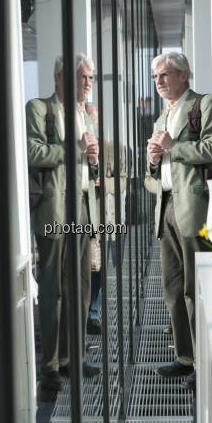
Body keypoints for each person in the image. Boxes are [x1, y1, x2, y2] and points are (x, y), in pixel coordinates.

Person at [26, 54, 102, 393]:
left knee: (81, 286)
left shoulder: (85, 115)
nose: (87, 83)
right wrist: (75, 147)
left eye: (90, 78)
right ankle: (50, 367)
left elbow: (88, 164)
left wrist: (93, 160)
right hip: (54, 208)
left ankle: (74, 358)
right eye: (82, 77)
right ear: (60, 78)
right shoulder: (39, 109)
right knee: (53, 289)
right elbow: (33, 152)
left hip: (82, 207)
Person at [146, 52, 212, 391]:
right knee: (172, 289)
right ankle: (185, 357)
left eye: (165, 74)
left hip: (194, 206)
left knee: (193, 289)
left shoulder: (203, 105)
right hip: (166, 205)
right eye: (155, 77)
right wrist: (153, 160)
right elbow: (153, 177)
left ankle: (203, 363)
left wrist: (174, 147)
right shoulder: (162, 117)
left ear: (184, 75)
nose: (159, 81)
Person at [84, 103, 126, 335]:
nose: (90, 121)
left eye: (93, 117)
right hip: (78, 217)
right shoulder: (72, 147)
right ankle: (82, 313)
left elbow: (123, 181)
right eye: (86, 116)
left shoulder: (113, 148)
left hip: (103, 217)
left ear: (98, 120)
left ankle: (93, 313)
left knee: (97, 268)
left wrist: (103, 182)